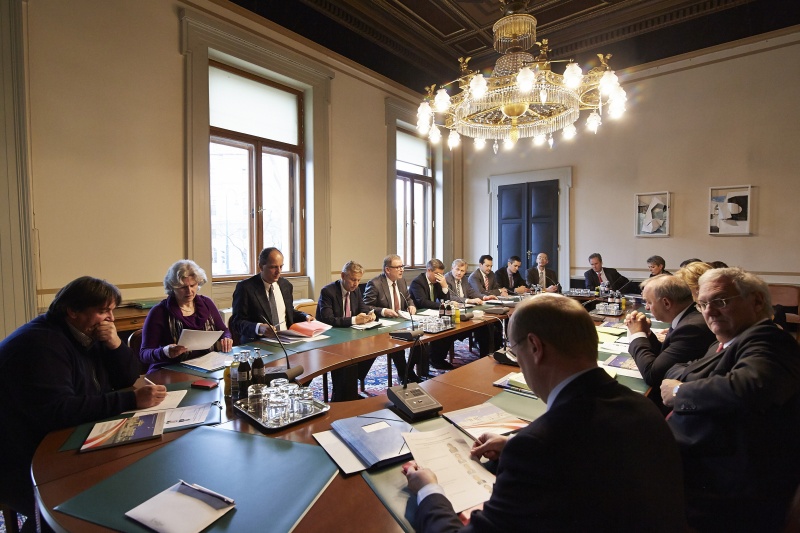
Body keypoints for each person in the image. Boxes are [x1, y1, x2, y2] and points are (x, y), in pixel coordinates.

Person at [403, 294, 686, 532]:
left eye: (516, 350)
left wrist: (427, 490)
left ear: (535, 347)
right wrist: (513, 442)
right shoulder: (642, 406)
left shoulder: (538, 448)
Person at [0, 277, 167, 529]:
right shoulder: (41, 345)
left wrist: (114, 345)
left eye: (111, 310)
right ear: (73, 311)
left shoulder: (87, 332)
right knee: (89, 505)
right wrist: (130, 399)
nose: (110, 318)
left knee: (136, 472)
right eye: (102, 311)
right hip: (22, 458)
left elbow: (128, 377)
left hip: (62, 435)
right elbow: (58, 411)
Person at [660, 268, 800, 532]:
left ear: (756, 301)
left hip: (721, 483)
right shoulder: (724, 341)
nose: (709, 311)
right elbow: (676, 369)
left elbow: (749, 387)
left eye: (720, 301)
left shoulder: (768, 340)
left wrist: (680, 393)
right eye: (702, 304)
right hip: (699, 457)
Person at [625, 274, 715, 413]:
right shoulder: (687, 317)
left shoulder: (691, 328)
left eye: (649, 302)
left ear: (666, 303)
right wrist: (647, 333)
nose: (647, 308)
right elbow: (666, 355)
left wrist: (637, 334)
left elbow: (652, 375)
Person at [140, 260, 233, 372]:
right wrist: (164, 351)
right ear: (172, 287)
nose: (189, 291)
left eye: (193, 285)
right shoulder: (159, 311)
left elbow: (223, 330)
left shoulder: (207, 303)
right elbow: (144, 354)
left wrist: (227, 338)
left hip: (205, 366)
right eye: (183, 287)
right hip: (170, 369)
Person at [316, 261, 376, 401]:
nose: (356, 284)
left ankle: (348, 390)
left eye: (358, 280)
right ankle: (341, 395)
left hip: (350, 336)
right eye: (353, 279)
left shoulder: (355, 291)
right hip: (330, 339)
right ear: (343, 276)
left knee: (372, 351)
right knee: (345, 360)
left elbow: (363, 308)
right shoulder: (328, 291)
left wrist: (370, 314)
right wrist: (355, 320)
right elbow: (327, 319)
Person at [229, 247, 312, 344]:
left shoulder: (286, 285)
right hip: (259, 343)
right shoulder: (245, 288)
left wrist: (305, 316)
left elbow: (288, 312)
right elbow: (237, 323)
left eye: (281, 266)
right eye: (273, 267)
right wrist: (259, 328)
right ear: (261, 266)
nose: (278, 271)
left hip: (287, 340)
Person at [363, 254, 421, 383]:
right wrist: (383, 311)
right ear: (387, 269)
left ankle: (409, 370)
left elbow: (408, 298)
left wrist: (411, 306)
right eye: (398, 267)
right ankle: (404, 374)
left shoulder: (401, 281)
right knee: (397, 343)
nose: (402, 270)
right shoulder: (375, 283)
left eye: (402, 266)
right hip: (384, 326)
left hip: (402, 321)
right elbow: (365, 306)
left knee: (420, 338)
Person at [445, 259, 498, 358]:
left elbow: (471, 292)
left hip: (466, 311)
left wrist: (484, 297)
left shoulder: (464, 279)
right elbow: (450, 297)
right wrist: (468, 301)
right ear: (452, 268)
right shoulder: (446, 279)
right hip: (452, 313)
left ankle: (485, 355)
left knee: (485, 325)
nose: (459, 273)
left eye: (462, 271)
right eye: (457, 270)